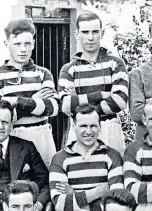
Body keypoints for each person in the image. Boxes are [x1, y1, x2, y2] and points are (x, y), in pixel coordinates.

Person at [49, 104, 124, 211]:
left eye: (93, 126)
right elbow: (59, 205)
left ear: (99, 127)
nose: (88, 131)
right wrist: (98, 191)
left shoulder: (111, 155)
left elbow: (117, 198)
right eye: (83, 126)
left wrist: (75, 195)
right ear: (74, 126)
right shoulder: (60, 158)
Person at [0, 18, 59, 166]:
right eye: (17, 44)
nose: (23, 49)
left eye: (27, 43)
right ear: (7, 44)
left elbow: (52, 108)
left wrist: (17, 102)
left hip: (42, 137)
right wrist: (35, 101)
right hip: (12, 137)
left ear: (33, 43)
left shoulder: (43, 74)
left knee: (45, 182)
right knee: (16, 185)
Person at [59, 11, 129, 154]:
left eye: (95, 32)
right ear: (76, 34)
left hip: (109, 130)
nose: (90, 38)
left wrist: (78, 101)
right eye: (85, 32)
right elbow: (66, 106)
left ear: (101, 33)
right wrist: (101, 95)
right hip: (81, 129)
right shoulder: (69, 69)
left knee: (113, 172)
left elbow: (119, 102)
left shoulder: (115, 63)